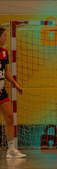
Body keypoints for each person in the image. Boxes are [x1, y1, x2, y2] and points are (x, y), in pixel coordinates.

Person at [0, 28, 25, 158]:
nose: (6, 38)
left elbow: (6, 71)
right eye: (4, 36)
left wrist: (16, 84)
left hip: (2, 91)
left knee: (10, 117)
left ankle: (11, 150)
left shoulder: (4, 52)